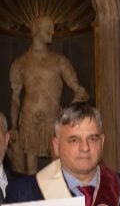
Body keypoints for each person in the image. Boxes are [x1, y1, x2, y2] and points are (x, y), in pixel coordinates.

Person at [9, 15, 89, 174]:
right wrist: (13, 127)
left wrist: (66, 115)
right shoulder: (20, 63)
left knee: (57, 168)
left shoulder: (59, 61)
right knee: (29, 171)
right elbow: (15, 98)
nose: (52, 31)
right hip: (29, 119)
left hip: (53, 120)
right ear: (36, 30)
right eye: (48, 28)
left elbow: (81, 92)